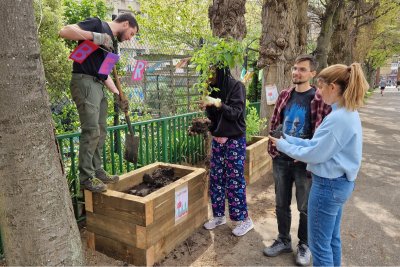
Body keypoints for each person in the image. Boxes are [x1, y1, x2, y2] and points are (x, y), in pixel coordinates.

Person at [269, 63, 369, 266]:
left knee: (319, 247)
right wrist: (288, 139)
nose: (319, 92)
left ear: (333, 87)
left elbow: (315, 153)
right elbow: (317, 143)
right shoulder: (345, 113)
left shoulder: (338, 118)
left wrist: (283, 145)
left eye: (322, 87)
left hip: (327, 186)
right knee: (332, 239)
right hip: (338, 184)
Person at [263, 55, 331, 266]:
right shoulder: (284, 95)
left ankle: (305, 244)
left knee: (305, 206)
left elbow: (322, 133)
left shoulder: (319, 99)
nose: (296, 73)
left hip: (304, 163)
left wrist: (307, 154)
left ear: (312, 74)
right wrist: (274, 147)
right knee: (281, 203)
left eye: (302, 69)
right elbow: (276, 121)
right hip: (281, 159)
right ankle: (283, 240)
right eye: (294, 69)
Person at [59, 13, 139, 192]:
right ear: (125, 24)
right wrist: (96, 37)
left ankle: (97, 170)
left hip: (98, 84)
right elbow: (64, 31)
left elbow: (104, 74)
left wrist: (118, 94)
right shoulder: (97, 25)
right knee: (92, 130)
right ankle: (86, 178)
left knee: (101, 130)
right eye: (132, 34)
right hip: (84, 81)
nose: (129, 39)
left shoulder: (114, 46)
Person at [201, 65, 254, 237]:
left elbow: (235, 113)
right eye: (205, 72)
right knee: (216, 178)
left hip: (234, 141)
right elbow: (214, 117)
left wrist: (216, 102)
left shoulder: (237, 87)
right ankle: (218, 216)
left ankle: (244, 220)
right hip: (218, 141)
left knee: (234, 180)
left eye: (211, 72)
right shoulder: (213, 89)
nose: (208, 76)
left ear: (220, 71)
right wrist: (209, 122)